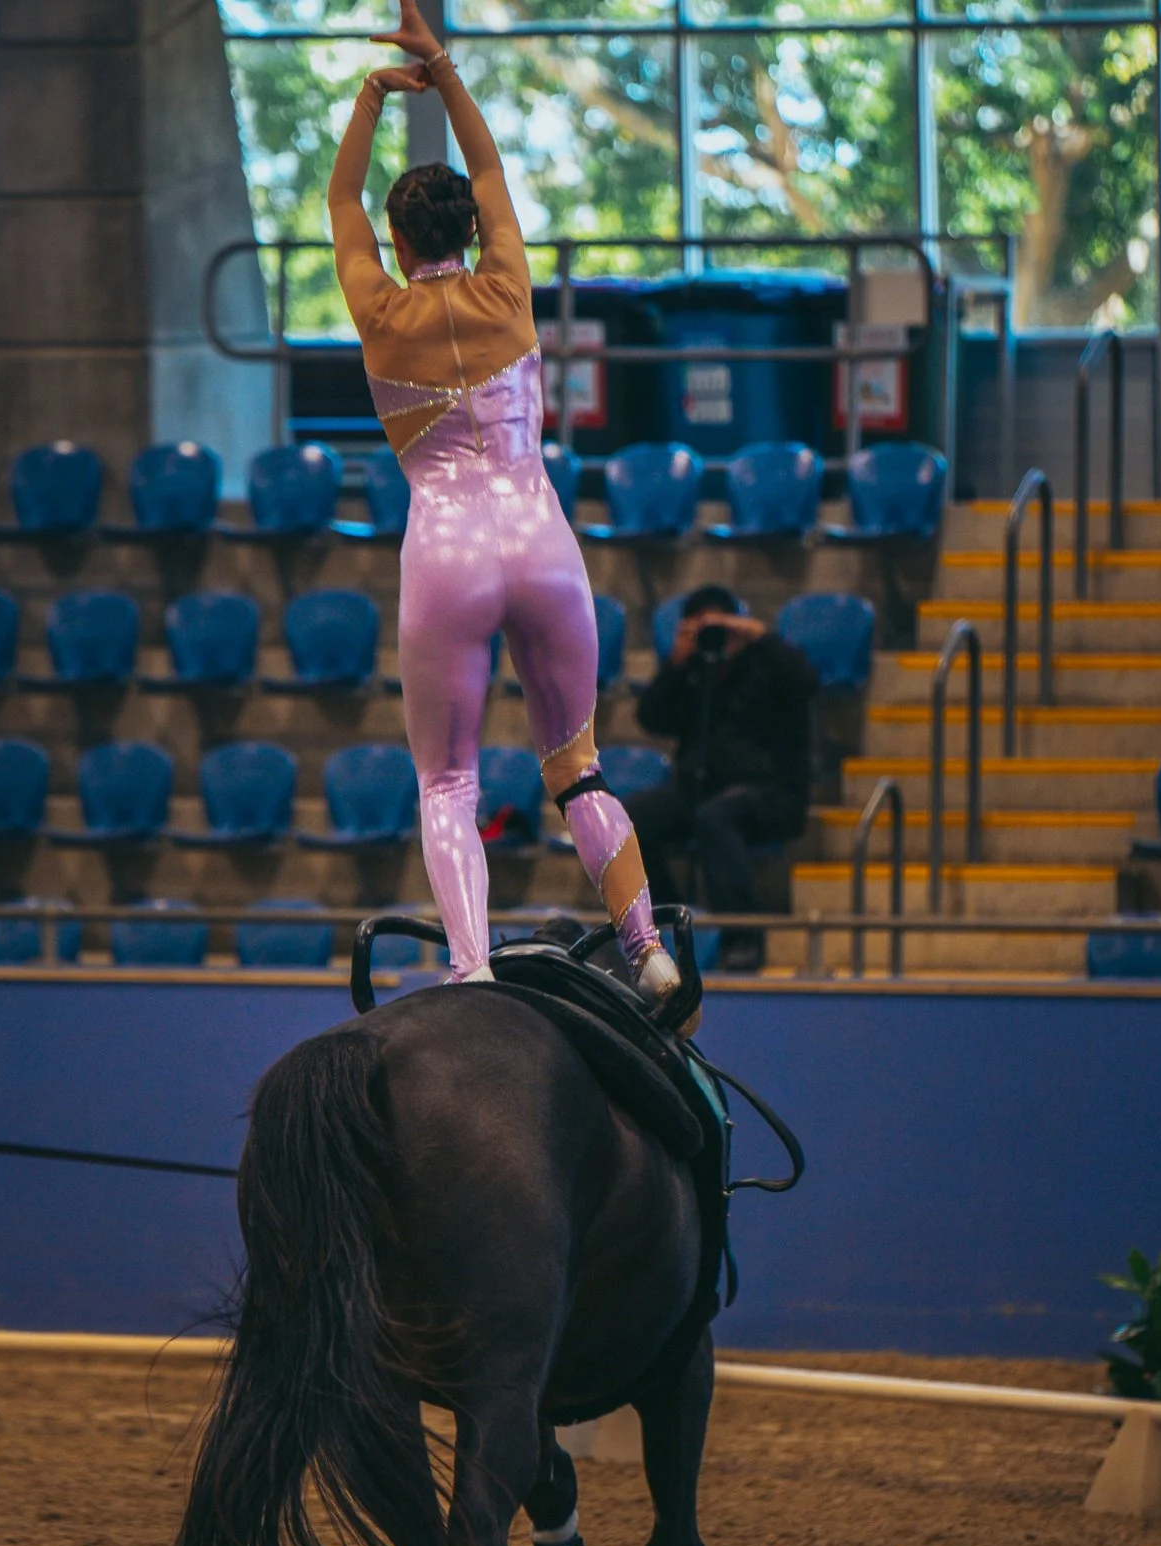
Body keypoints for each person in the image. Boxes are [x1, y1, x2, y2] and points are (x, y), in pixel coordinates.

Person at [329, 0, 679, 1008]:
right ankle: (645, 942)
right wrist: (444, 70)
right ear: (474, 231)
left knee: (448, 781)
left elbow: (339, 200)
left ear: (398, 240)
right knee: (577, 770)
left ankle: (471, 969)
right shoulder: (508, 287)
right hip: (540, 540)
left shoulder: (379, 309)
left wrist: (368, 97)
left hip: (444, 551)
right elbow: (491, 176)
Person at [628, 585, 820, 971]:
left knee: (715, 818)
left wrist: (755, 634)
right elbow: (651, 717)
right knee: (627, 822)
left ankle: (742, 938)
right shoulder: (695, 672)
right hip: (699, 789)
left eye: (724, 625)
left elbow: (805, 681)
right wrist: (675, 665)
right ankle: (666, 920)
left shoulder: (766, 664)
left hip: (769, 792)